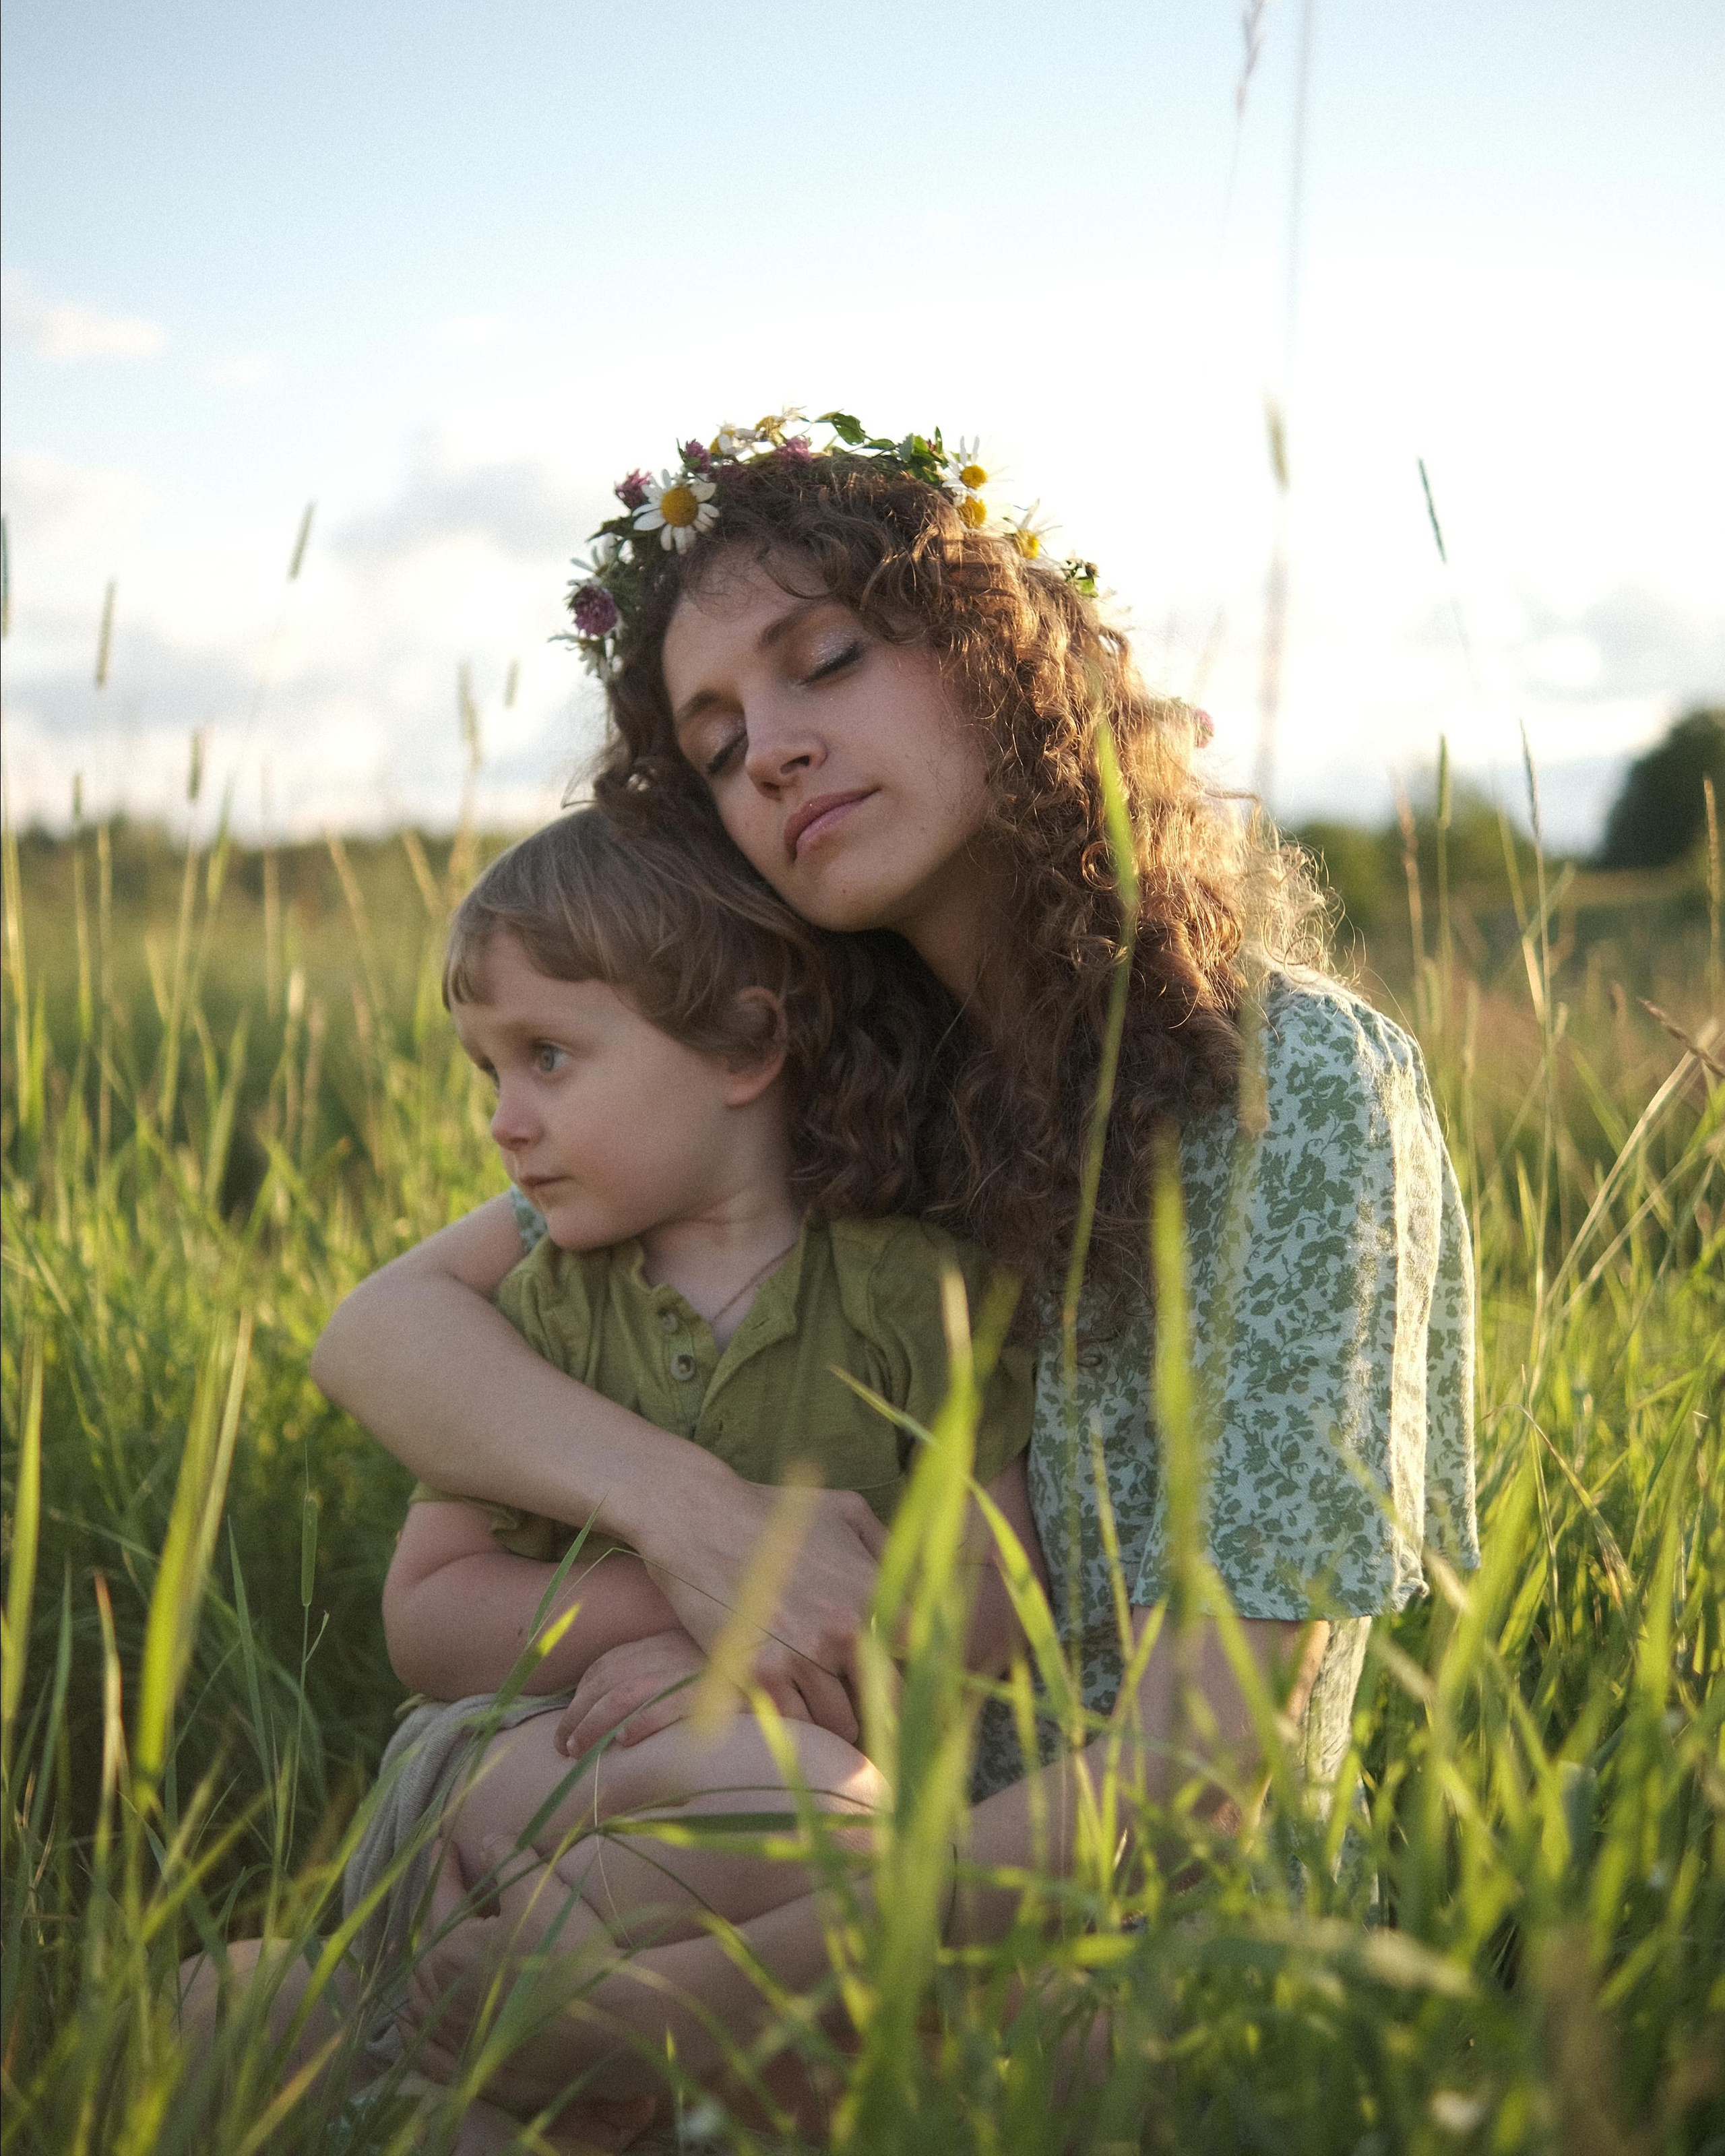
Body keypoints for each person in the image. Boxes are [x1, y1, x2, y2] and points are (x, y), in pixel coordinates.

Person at [310, 408, 1479, 2121]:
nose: (770, 749)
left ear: (1002, 656)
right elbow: (384, 1332)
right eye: (713, 740)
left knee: (453, 2028)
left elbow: (1198, 1773)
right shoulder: (858, 1090)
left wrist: (679, 2005)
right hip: (786, 1804)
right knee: (342, 1943)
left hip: (1107, 1927)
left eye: (825, 663)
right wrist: (692, 1538)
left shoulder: (1283, 1085)